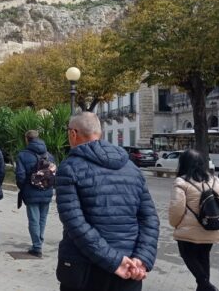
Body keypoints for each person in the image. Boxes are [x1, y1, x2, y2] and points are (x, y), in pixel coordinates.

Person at [55, 112, 159, 291]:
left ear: (73, 134)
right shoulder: (132, 168)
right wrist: (141, 259)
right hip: (129, 268)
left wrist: (115, 261)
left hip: (86, 270)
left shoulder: (70, 168)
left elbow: (75, 224)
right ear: (100, 133)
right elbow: (150, 219)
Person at [169, 149, 219, 291]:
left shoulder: (182, 181)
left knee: (187, 255)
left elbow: (177, 208)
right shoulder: (216, 180)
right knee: (203, 256)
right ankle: (203, 287)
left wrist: (175, 224)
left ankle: (206, 286)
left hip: (188, 232)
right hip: (212, 226)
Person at [15, 130, 56, 258]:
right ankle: (39, 242)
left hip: (31, 192)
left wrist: (24, 188)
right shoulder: (49, 155)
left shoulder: (22, 155)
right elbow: (54, 173)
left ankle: (37, 247)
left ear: (27, 139)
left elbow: (20, 176)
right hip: (47, 191)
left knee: (33, 220)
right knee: (42, 219)